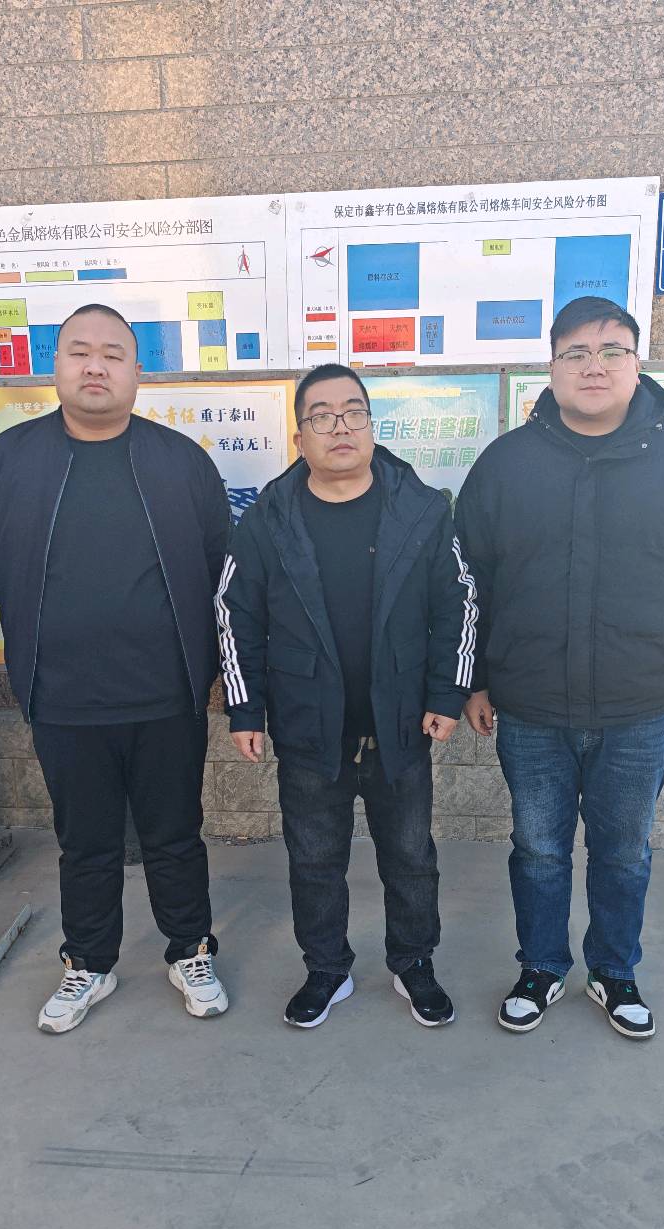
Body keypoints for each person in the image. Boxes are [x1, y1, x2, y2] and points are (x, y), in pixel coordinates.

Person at [455, 297, 664, 1040]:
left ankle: (614, 971)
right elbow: (469, 581)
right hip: (531, 707)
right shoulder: (507, 464)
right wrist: (475, 679)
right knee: (538, 851)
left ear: (638, 363)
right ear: (551, 368)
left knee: (623, 853)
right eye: (576, 352)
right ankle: (542, 966)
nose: (595, 366)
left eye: (612, 350)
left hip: (638, 707)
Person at [0, 304, 232, 1033]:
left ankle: (190, 949)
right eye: (80, 352)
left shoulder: (181, 462)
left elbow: (216, 561)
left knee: (176, 833)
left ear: (137, 372)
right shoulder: (8, 461)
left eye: (113, 354)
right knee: (85, 843)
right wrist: (40, 610)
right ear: (57, 367)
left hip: (166, 692)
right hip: (62, 694)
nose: (96, 366)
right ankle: (90, 962)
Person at [215, 364, 477, 1028]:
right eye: (322, 415)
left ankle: (414, 963)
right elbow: (234, 613)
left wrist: (447, 695)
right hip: (309, 730)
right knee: (314, 861)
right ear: (299, 435)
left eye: (353, 412)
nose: (340, 426)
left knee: (411, 858)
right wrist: (245, 708)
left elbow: (458, 605)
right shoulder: (267, 520)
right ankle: (326, 970)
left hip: (401, 727)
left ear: (370, 424)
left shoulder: (421, 510)